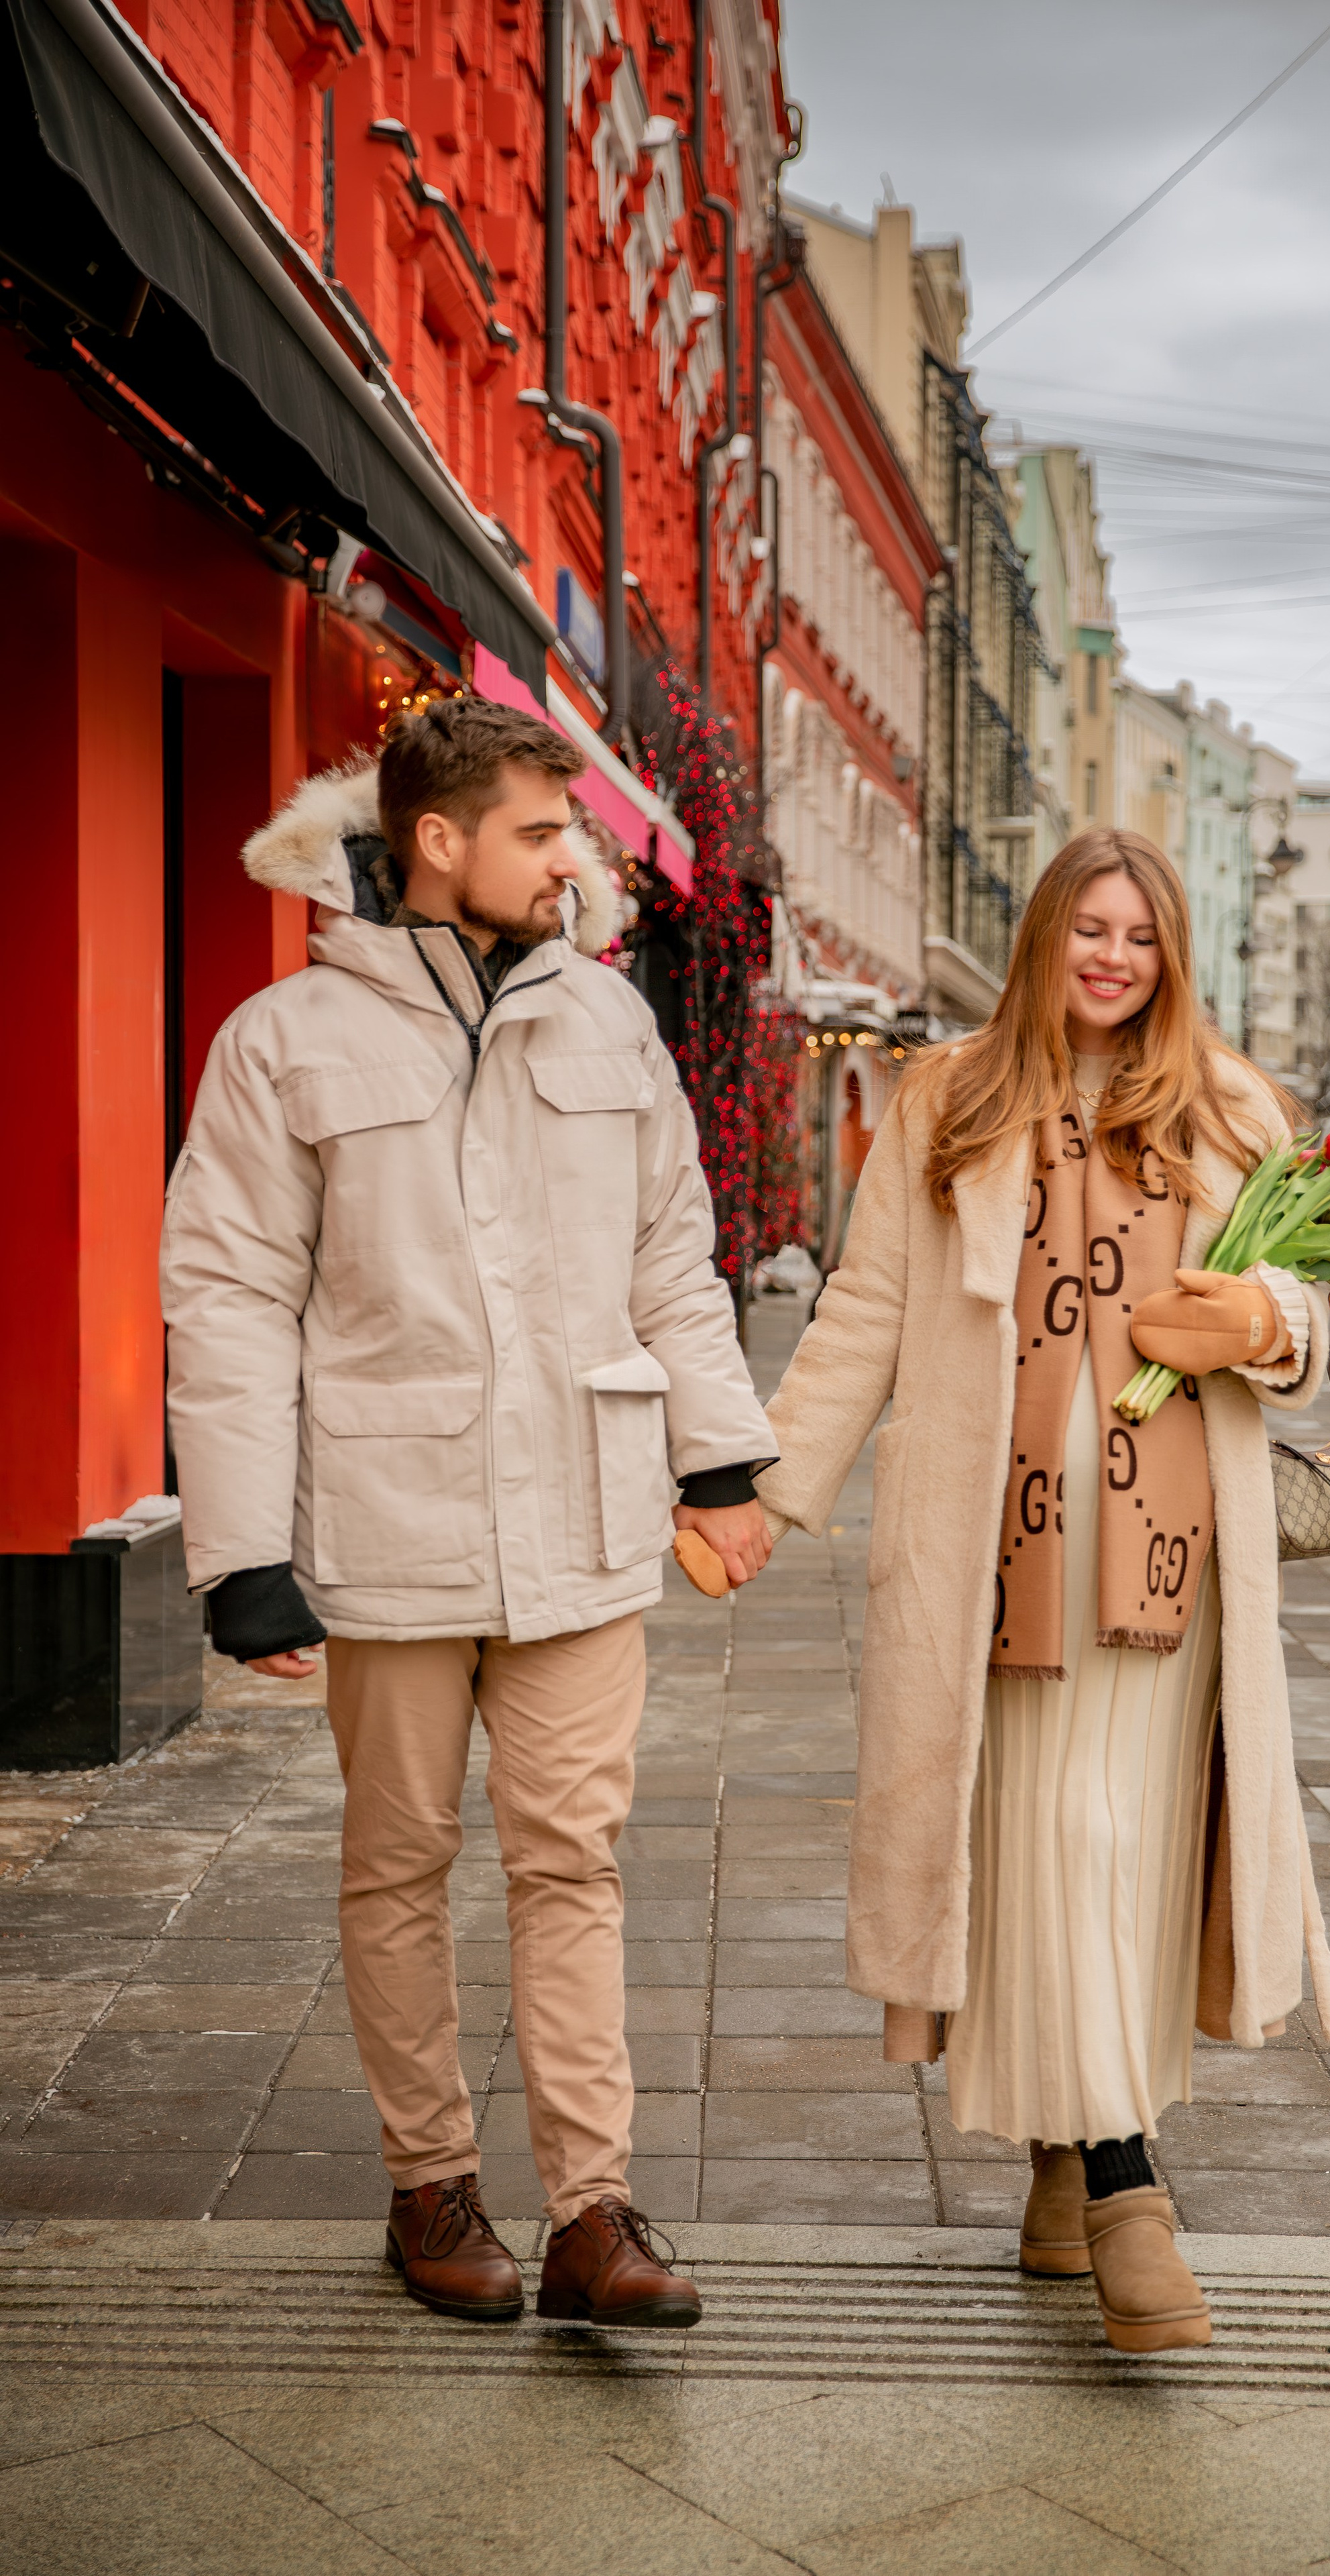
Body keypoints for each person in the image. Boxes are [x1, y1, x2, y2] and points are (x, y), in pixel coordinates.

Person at [163, 698, 776, 2328]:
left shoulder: (612, 1025)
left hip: (584, 1521)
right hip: (390, 1528)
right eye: (539, 831)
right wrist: (242, 1554)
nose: (571, 861)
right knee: (399, 1864)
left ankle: (591, 2213)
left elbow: (672, 1258)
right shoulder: (287, 1040)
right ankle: (429, 2185)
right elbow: (229, 1299)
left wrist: (722, 1463)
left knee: (574, 1863)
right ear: (437, 842)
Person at [754, 828, 1330, 2354]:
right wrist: (764, 1492)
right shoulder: (945, 1099)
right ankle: (1121, 2186)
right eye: (1089, 929)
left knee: (1120, 1856)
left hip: (1171, 1568)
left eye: (1139, 937)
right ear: (1042, 939)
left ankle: (1073, 2167)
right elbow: (868, 1308)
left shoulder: (1232, 1106)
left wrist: (1262, 1321)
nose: (1112, 959)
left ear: (1170, 957)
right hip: (991, 1565)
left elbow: (1310, 1311)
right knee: (1043, 1848)